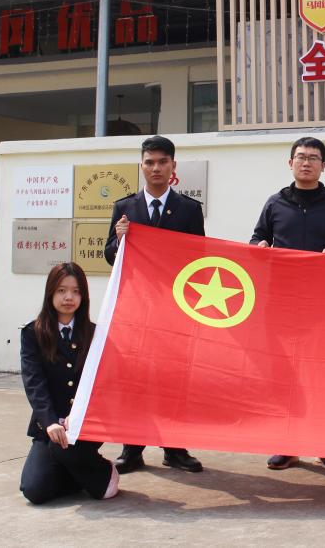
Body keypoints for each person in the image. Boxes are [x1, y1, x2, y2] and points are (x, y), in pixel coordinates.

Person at [250, 136, 325, 470]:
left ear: (323, 166)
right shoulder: (275, 203)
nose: (306, 162)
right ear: (290, 163)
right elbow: (256, 239)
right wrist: (260, 247)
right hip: (281, 303)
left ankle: (324, 443)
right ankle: (287, 445)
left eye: (313, 158)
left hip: (322, 305)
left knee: (321, 374)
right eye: (300, 157)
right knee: (284, 375)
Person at [104, 134, 205, 475]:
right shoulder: (125, 207)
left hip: (175, 309)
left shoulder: (189, 209)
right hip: (136, 308)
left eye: (163, 162)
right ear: (141, 166)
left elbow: (199, 258)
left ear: (173, 166)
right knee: (134, 378)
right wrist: (119, 241)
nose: (156, 168)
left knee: (173, 380)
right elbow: (109, 256)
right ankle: (132, 449)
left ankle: (174, 449)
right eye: (149, 162)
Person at [19, 262, 119, 504]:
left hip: (85, 426)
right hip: (50, 426)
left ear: (83, 297)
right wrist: (50, 422)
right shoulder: (33, 333)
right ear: (50, 293)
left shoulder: (95, 334)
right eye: (62, 290)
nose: (69, 298)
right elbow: (34, 382)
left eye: (76, 291)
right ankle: (80, 474)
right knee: (34, 490)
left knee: (65, 452)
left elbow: (105, 382)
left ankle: (104, 471)